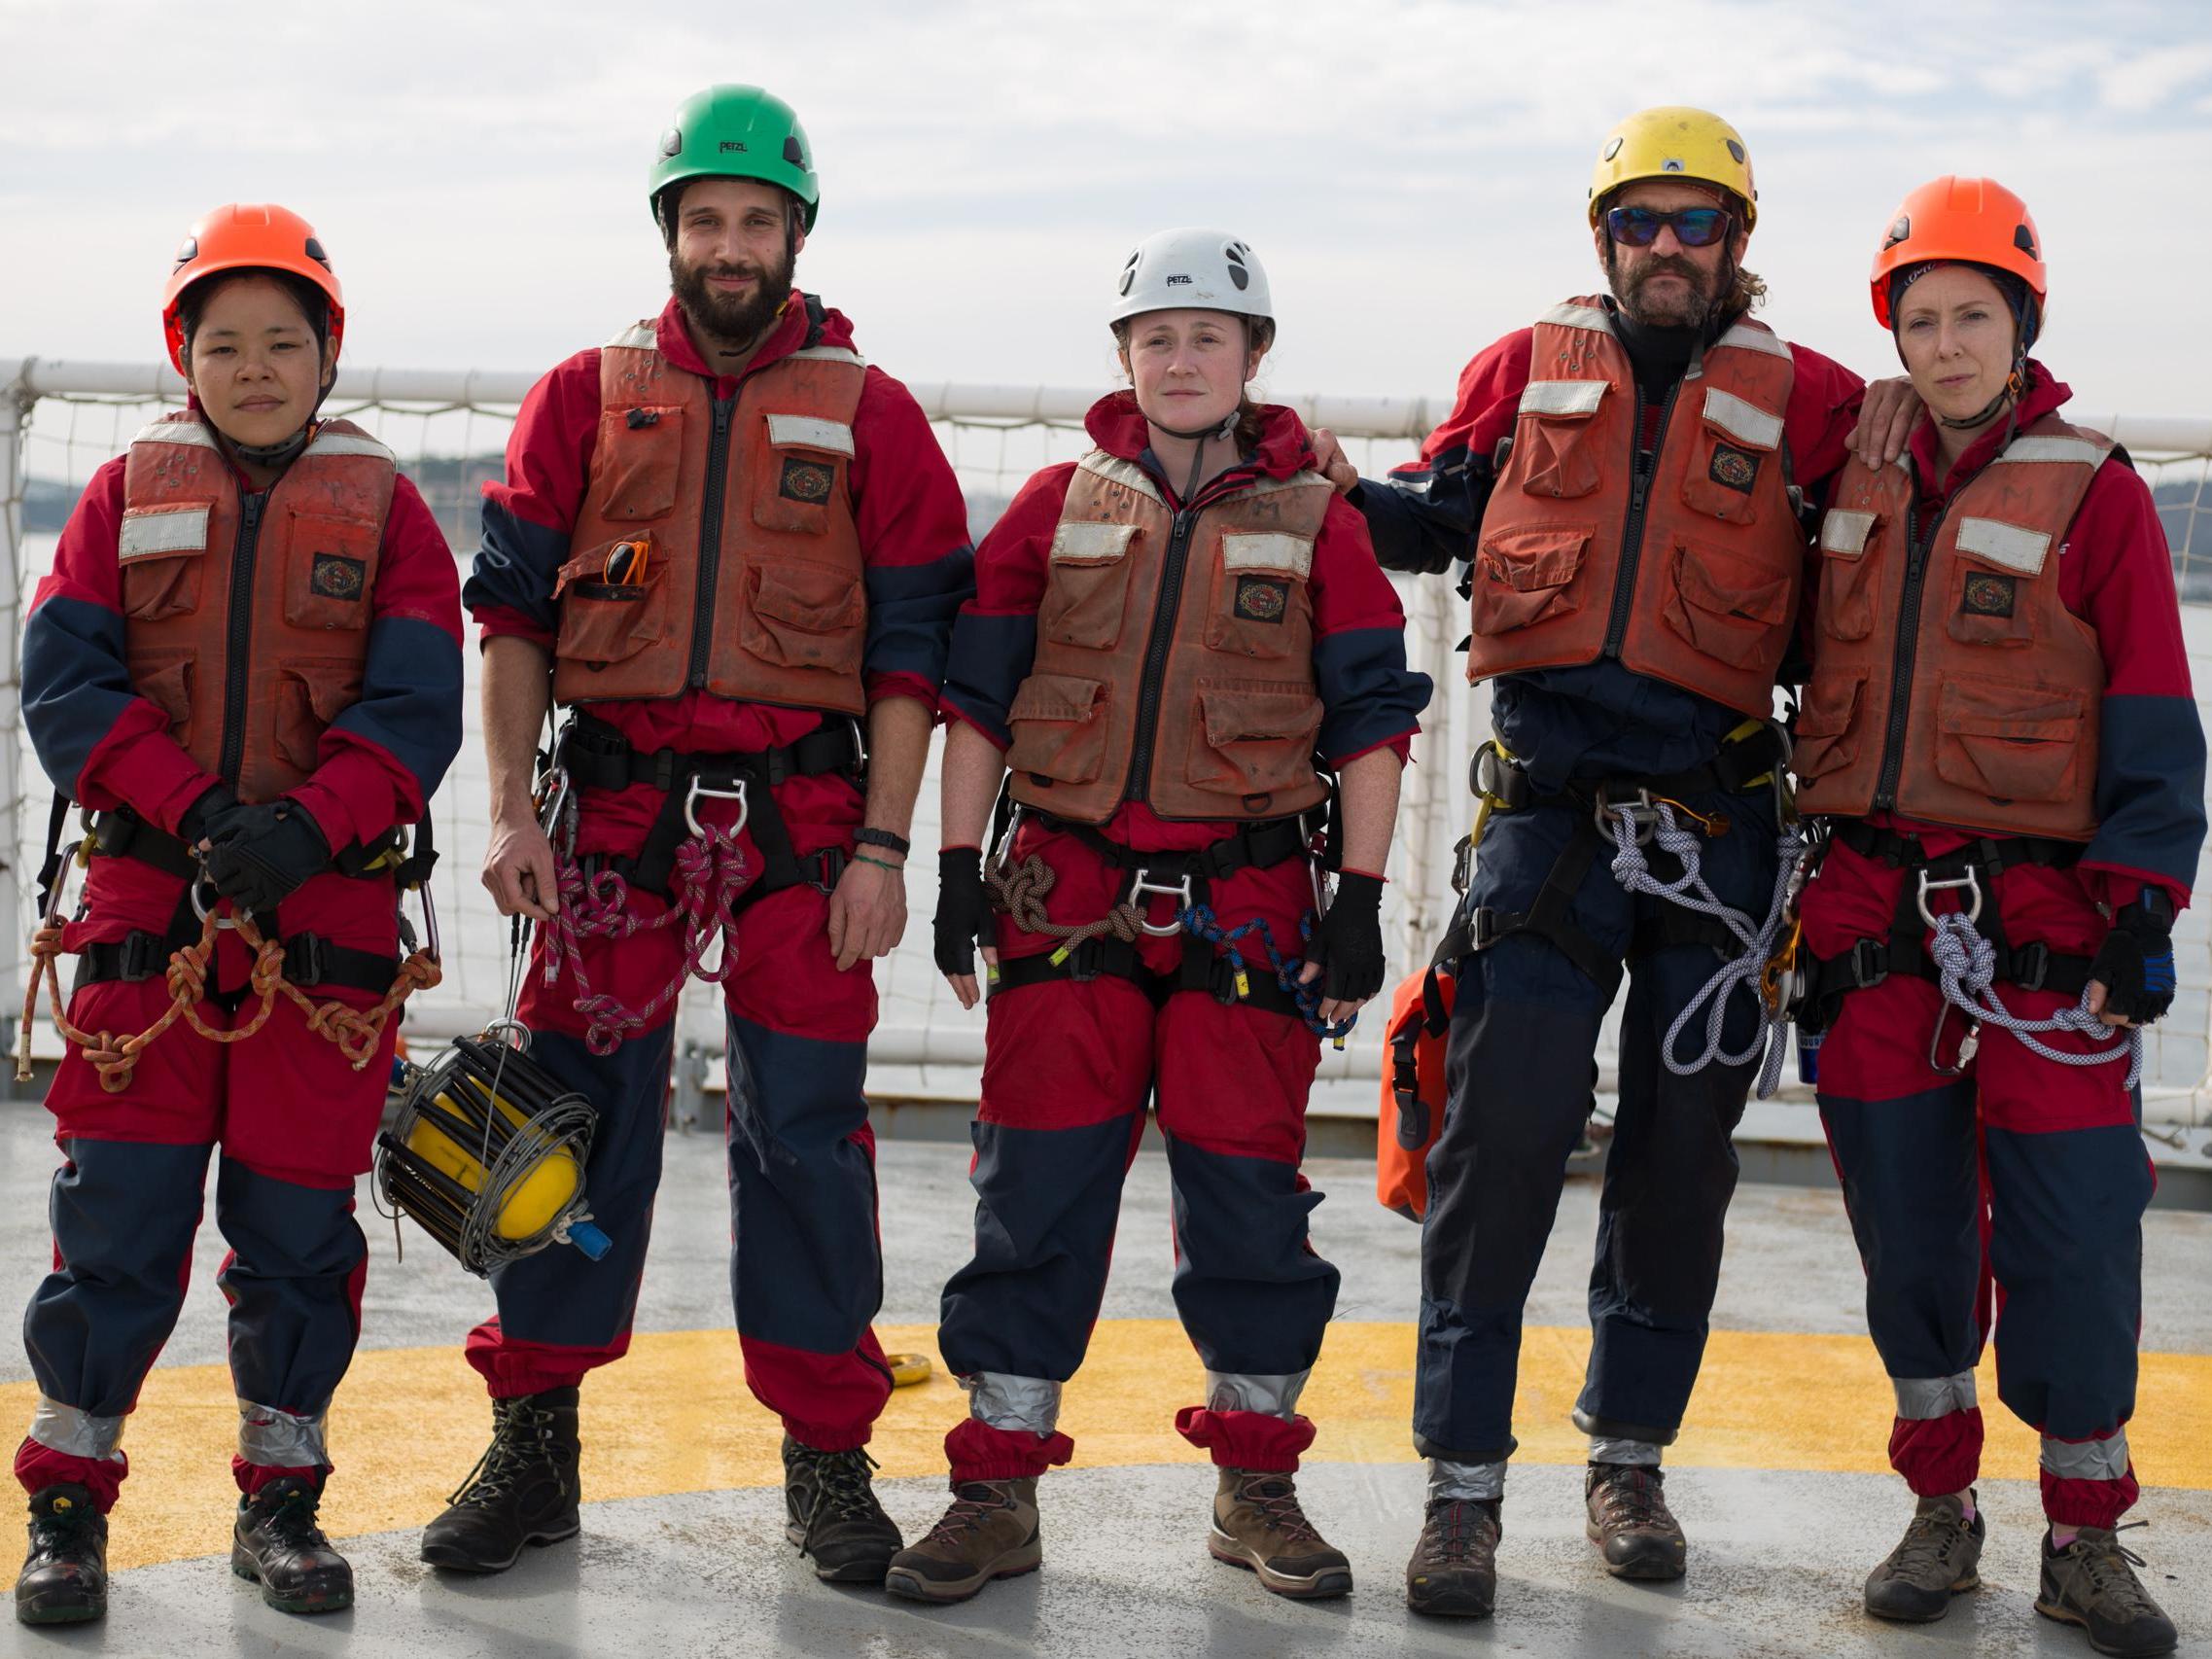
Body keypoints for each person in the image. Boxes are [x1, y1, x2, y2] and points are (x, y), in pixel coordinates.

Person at [1316, 107, 1915, 1619]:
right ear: (1604, 241)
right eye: (1640, 222)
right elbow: (1441, 516)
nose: (1665, 247)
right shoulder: (1519, 372)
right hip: (1547, 823)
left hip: (1721, 832)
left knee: (1676, 1165)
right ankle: (1461, 1493)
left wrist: (1933, 416)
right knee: (1496, 1145)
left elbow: (1891, 562)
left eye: (1694, 223)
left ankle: (1628, 1460)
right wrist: (1324, 488)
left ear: (1737, 244)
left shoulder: (1826, 400)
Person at [445, 84, 973, 1587]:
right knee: (563, 1128)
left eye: (756, 221)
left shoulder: (873, 415)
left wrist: (885, 848)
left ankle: (825, 1457)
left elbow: (916, 651)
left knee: (803, 1136)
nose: (729, 245)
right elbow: (510, 615)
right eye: (705, 219)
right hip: (606, 816)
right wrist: (502, 808)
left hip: (807, 828)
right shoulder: (581, 396)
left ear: (796, 235)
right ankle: (534, 1440)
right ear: (670, 230)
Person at [891, 229, 1429, 1606]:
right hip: (1063, 899)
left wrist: (1360, 905)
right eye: (1157, 337)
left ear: (1254, 357)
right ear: (1124, 358)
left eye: (1209, 336)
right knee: (1034, 1194)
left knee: (1248, 1199)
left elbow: (1374, 722)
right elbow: (977, 701)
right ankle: (995, 1482)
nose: (1182, 358)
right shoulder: (1054, 505)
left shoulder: (1323, 519)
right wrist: (957, 870)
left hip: (1249, 909)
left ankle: (1257, 1480)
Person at [12, 203, 464, 1622]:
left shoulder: (391, 514)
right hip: (151, 917)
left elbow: (416, 703)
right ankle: (68, 1506)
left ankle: (281, 1500)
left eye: (284, 340)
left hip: (322, 931)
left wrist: (308, 824)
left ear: (328, 354)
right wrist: (202, 815)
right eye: (226, 342)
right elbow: (66, 681)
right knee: (119, 1230)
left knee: (296, 1235)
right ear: (184, 355)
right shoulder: (115, 499)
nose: (255, 365)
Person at [1794, 175, 2200, 1659]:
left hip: (2050, 930)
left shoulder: (2096, 494)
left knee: (2077, 1237)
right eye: (1921, 318)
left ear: (2023, 325)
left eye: (1975, 315)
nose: (1948, 343)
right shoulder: (1851, 471)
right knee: (1907, 1237)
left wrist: (2142, 915)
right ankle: (1940, 1509)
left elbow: (2158, 717)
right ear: (1892, 333)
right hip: (1870, 921)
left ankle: (2085, 1538)